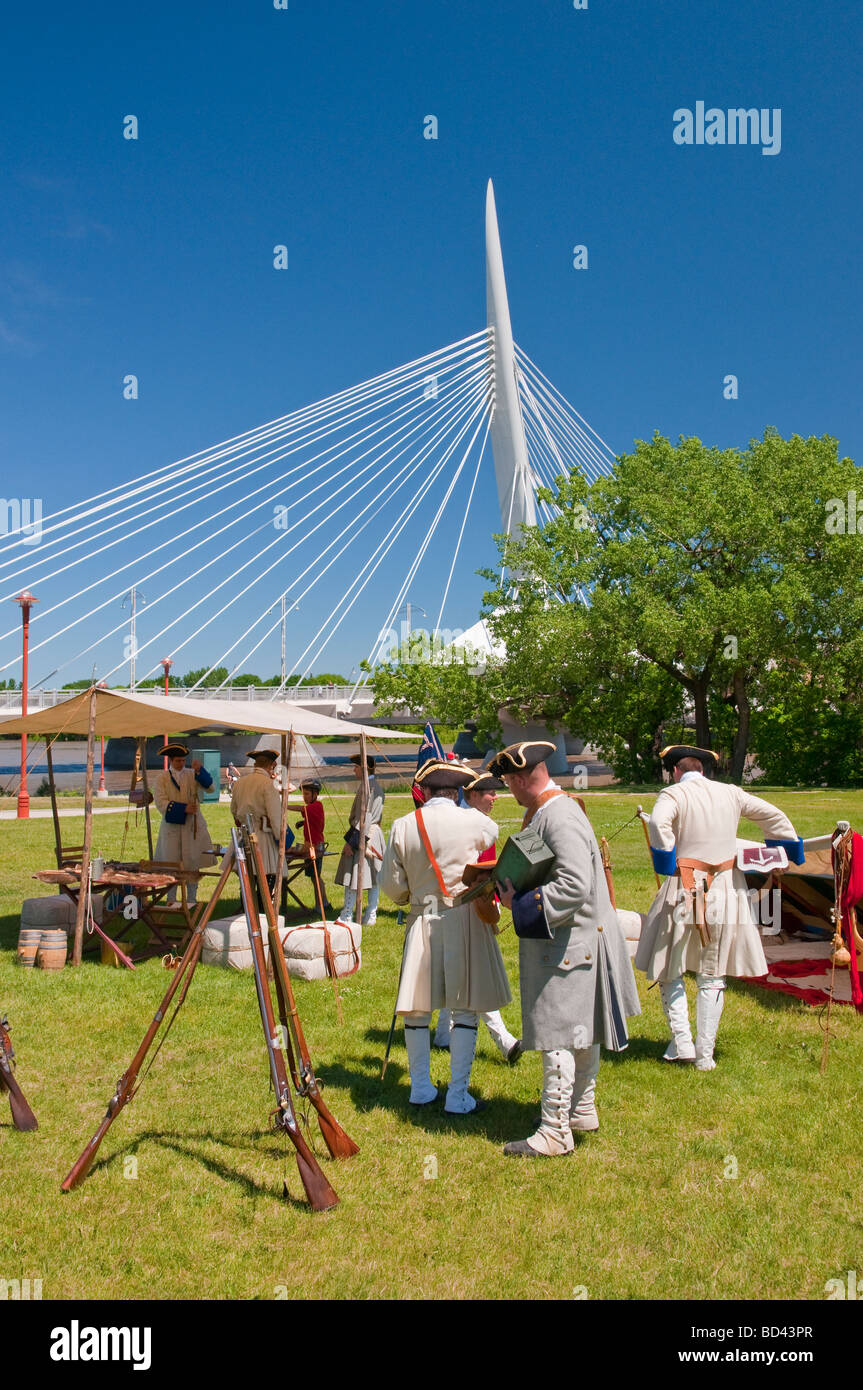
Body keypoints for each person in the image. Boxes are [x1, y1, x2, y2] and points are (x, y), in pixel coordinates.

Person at [490, 740, 641, 1158]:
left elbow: (574, 883)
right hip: (574, 940)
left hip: (569, 942)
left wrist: (519, 904)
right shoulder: (550, 810)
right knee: (579, 1028)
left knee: (557, 1030)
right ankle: (581, 1109)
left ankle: (555, 1130)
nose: (509, 791)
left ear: (522, 778)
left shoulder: (557, 815)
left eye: (510, 783)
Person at [636, 744, 804, 1071]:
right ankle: (705, 1056)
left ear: (675, 770)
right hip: (725, 890)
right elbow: (773, 815)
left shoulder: (671, 795)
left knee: (669, 966)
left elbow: (658, 824)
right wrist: (789, 847)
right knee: (712, 974)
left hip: (683, 884)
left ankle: (683, 1040)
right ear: (704, 769)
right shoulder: (731, 792)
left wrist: (667, 859)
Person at [379, 759, 511, 1115]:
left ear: (425, 792)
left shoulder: (403, 825)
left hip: (422, 917)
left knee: (417, 1010)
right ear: (456, 793)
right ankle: (457, 1096)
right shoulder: (473, 821)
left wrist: (412, 899)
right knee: (465, 1009)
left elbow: (391, 886)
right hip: (463, 917)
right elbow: (492, 832)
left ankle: (420, 1088)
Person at [433, 770, 522, 1065]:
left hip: (479, 904)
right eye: (488, 792)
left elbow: (490, 870)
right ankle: (505, 1041)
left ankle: (443, 1034)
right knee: (475, 977)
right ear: (470, 795)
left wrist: (493, 906)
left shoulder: (485, 826)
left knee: (457, 975)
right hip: (457, 906)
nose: (495, 797)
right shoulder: (459, 823)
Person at [152, 742, 216, 906]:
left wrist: (201, 771)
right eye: (178, 761)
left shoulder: (192, 773)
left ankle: (191, 899)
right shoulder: (161, 778)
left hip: (192, 826)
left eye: (183, 760)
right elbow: (161, 803)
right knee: (171, 862)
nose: (181, 764)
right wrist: (183, 808)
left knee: (192, 862)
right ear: (171, 761)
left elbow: (210, 788)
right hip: (172, 826)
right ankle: (171, 899)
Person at [337, 753, 385, 926]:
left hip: (366, 832)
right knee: (373, 877)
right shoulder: (370, 785)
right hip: (369, 831)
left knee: (354, 873)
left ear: (364, 769)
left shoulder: (369, 787)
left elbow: (366, 817)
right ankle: (370, 914)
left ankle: (348, 914)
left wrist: (352, 842)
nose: (354, 770)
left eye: (356, 767)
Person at [230, 749, 284, 890]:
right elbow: (275, 817)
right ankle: (261, 909)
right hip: (262, 836)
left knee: (246, 878)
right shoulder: (268, 784)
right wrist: (282, 839)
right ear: (272, 764)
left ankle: (247, 908)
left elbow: (234, 811)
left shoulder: (240, 782)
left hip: (244, 834)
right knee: (265, 879)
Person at [292, 777, 333, 917]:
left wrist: (284, 806)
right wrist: (303, 823)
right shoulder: (313, 808)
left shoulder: (316, 805)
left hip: (314, 846)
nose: (304, 797)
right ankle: (325, 903)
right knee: (315, 877)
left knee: (316, 877)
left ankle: (320, 906)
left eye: (307, 794)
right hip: (314, 845)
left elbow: (302, 809)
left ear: (315, 794)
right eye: (303, 794)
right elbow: (314, 820)